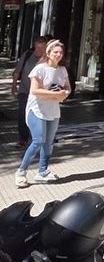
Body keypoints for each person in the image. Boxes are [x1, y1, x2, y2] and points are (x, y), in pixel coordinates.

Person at [15, 39, 70, 187]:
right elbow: (35, 90)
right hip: (37, 110)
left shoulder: (62, 70)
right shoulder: (39, 69)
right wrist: (56, 94)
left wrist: (64, 93)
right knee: (38, 140)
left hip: (53, 110)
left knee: (49, 142)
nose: (58, 54)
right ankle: (21, 172)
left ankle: (42, 171)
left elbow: (67, 88)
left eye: (61, 52)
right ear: (49, 52)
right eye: (55, 52)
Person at [11, 36, 48, 147]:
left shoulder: (48, 59)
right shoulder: (27, 55)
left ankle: (39, 137)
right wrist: (13, 86)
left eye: (42, 48)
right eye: (37, 48)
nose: (39, 51)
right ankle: (23, 138)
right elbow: (17, 71)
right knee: (22, 114)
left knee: (40, 115)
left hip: (40, 93)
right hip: (25, 90)